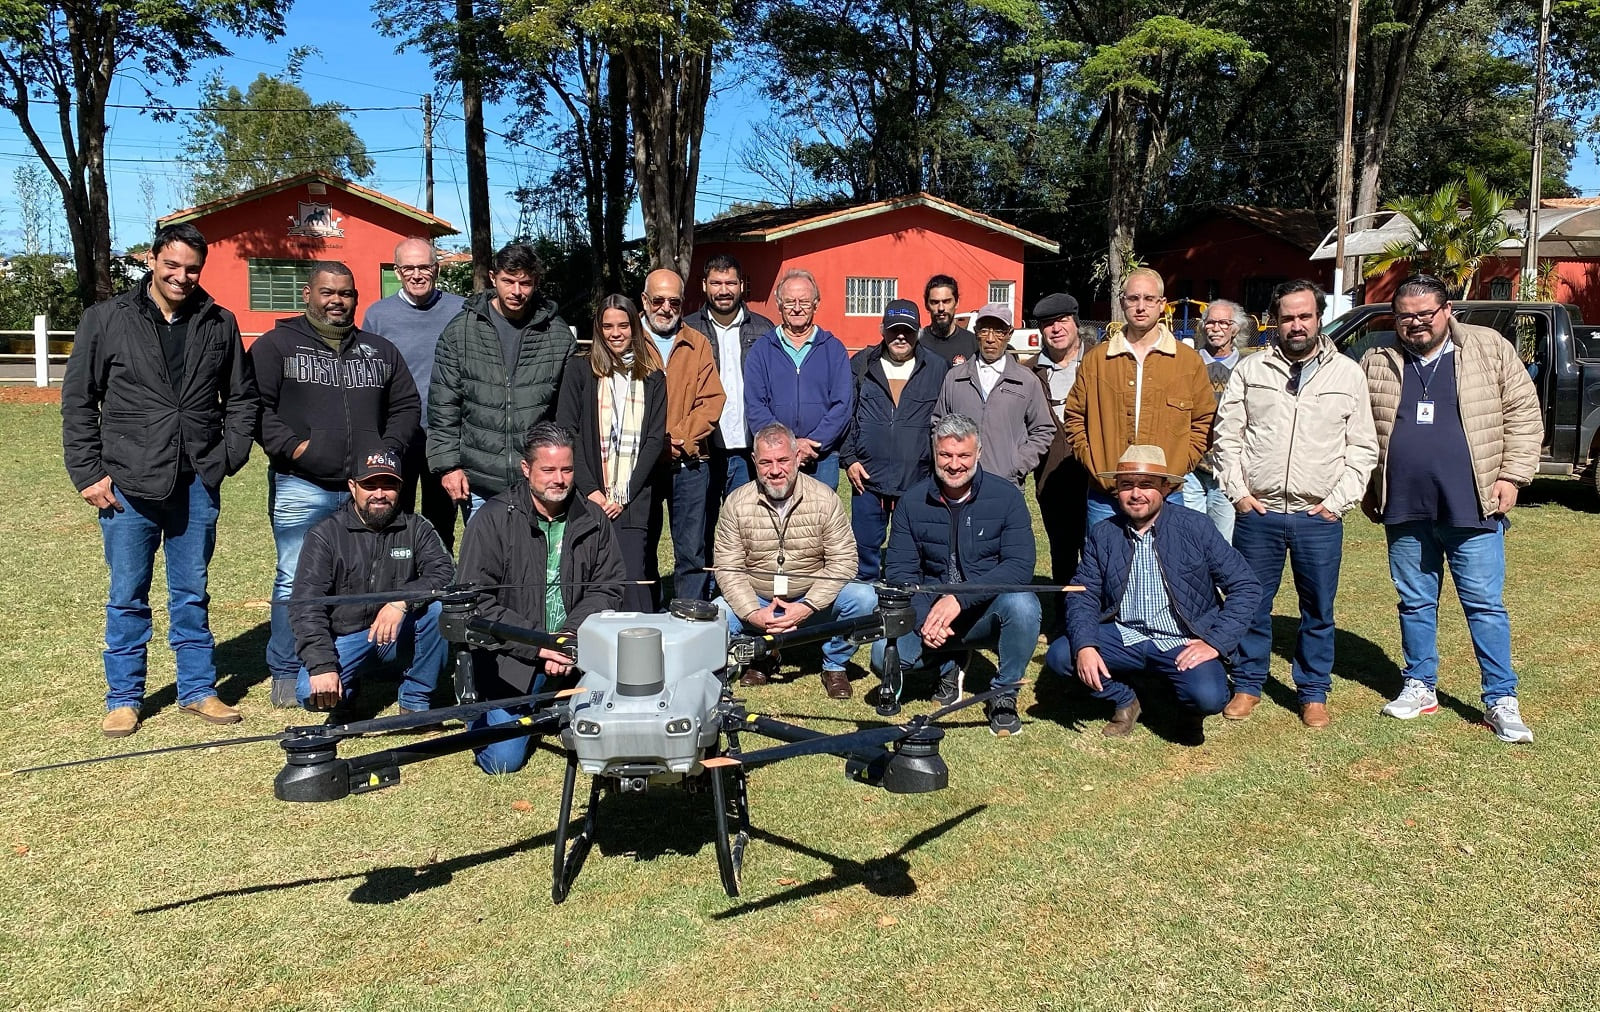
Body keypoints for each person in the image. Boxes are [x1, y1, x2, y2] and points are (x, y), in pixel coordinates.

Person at [62, 222, 258, 736]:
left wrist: (226, 459)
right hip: (127, 481)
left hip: (195, 480)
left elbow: (241, 398)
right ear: (152, 260)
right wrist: (88, 473)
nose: (182, 276)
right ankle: (124, 697)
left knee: (191, 591)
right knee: (128, 592)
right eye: (172, 265)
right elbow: (79, 402)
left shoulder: (218, 321)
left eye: (193, 268)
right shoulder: (106, 320)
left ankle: (198, 690)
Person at [1359, 274, 1542, 743]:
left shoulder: (1488, 348)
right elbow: (1358, 427)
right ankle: (1420, 685)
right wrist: (1366, 485)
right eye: (1405, 316)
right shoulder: (1378, 360)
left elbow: (1523, 411)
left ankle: (1501, 698)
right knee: (1415, 602)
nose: (1416, 323)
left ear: (1447, 311)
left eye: (1425, 313)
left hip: (1472, 504)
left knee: (1483, 605)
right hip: (1404, 506)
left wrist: (1513, 476)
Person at [251, 260, 421, 708]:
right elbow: (256, 407)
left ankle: (352, 664)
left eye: (345, 294)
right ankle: (287, 669)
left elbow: (406, 405)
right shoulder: (276, 346)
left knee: (360, 575)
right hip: (302, 482)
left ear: (356, 299)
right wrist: (295, 447)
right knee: (294, 577)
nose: (336, 301)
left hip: (365, 489)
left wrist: (386, 452)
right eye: (327, 292)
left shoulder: (379, 351)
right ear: (307, 294)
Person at [1211, 281, 1378, 727]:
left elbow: (1363, 447)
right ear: (1274, 321)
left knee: (1318, 610)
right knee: (1250, 603)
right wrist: (1239, 494)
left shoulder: (1347, 373)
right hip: (1259, 512)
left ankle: (1313, 691)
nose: (1297, 325)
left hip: (1316, 516)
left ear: (1318, 318)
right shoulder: (1251, 371)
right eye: (1288, 317)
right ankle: (1247, 684)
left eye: (1305, 316)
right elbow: (1226, 436)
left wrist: (1336, 502)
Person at [1044, 445, 1260, 743]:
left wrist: (1215, 642)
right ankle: (1125, 697)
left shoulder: (1196, 527)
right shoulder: (1104, 533)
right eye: (1126, 485)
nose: (1136, 494)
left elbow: (1246, 586)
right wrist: (1085, 645)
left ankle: (1188, 711)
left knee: (1208, 696)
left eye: (1146, 485)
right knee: (1060, 655)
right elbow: (1083, 594)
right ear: (1116, 491)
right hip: (1124, 635)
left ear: (1165, 489)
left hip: (1182, 638)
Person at [456, 423, 627, 774]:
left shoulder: (593, 518)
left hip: (579, 648)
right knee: (503, 761)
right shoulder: (490, 520)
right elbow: (474, 602)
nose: (559, 479)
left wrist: (569, 636)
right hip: (513, 657)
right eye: (548, 470)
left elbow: (608, 587)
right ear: (526, 469)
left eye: (566, 469)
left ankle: (558, 707)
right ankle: (477, 712)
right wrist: (538, 644)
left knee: (613, 740)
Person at [873, 414, 1042, 736]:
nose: (954, 465)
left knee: (1024, 605)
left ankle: (1003, 694)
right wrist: (924, 620)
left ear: (978, 454)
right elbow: (899, 572)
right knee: (883, 658)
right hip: (931, 609)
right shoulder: (912, 501)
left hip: (985, 608)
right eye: (945, 455)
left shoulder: (1006, 497)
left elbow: (1020, 566)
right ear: (934, 453)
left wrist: (959, 599)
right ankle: (947, 664)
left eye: (963, 455)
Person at [713, 423, 877, 700]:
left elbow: (845, 560)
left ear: (798, 458)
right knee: (715, 617)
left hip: (811, 599)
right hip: (759, 598)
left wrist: (806, 607)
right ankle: (762, 653)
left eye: (782, 461)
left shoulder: (824, 498)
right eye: (765, 462)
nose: (775, 470)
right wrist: (754, 614)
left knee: (864, 598)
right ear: (754, 462)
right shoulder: (736, 503)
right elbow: (728, 568)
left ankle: (834, 664)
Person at [288, 447, 454, 714]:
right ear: (353, 487)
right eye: (370, 485)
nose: (379, 494)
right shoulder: (324, 535)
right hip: (346, 637)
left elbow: (445, 573)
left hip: (398, 631)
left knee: (437, 611)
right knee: (310, 693)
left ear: (400, 488)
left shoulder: (417, 528)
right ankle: (349, 688)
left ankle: (415, 700)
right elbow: (306, 606)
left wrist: (400, 601)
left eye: (388, 485)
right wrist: (322, 667)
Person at [427, 242, 575, 520]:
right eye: (508, 281)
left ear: (536, 282)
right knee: (485, 563)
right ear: (493, 278)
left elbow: (567, 413)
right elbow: (443, 406)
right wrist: (448, 467)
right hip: (478, 482)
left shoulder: (556, 334)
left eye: (525, 283)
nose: (517, 292)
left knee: (536, 562)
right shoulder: (461, 331)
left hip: (537, 481)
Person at [1064, 267, 1215, 527]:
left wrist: (1178, 468)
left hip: (1166, 494)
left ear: (1162, 305)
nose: (1140, 306)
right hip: (1106, 496)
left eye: (1149, 299)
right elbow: (1075, 416)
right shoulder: (1097, 361)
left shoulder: (1188, 362)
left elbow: (1204, 422)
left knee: (1164, 566)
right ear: (1123, 303)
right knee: (1107, 566)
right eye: (1133, 299)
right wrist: (1095, 464)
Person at [555, 295, 668, 612]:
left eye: (623, 325)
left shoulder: (653, 378)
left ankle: (641, 653)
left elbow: (654, 440)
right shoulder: (580, 370)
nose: (615, 333)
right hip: (587, 497)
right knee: (589, 577)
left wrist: (624, 495)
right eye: (607, 326)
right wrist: (592, 491)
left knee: (632, 579)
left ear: (634, 327)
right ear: (599, 329)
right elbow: (568, 432)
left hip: (632, 501)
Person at [360, 237, 467, 550]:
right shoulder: (378, 315)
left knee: (441, 524)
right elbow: (368, 377)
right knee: (395, 519)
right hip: (397, 436)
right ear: (397, 271)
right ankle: (400, 588)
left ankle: (438, 588)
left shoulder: (460, 309)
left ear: (436, 268)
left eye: (424, 267)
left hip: (445, 437)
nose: (417, 274)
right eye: (409, 268)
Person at [840, 298, 948, 580]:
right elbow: (846, 415)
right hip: (867, 481)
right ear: (882, 329)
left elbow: (945, 422)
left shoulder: (937, 368)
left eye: (908, 331)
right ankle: (866, 612)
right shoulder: (862, 364)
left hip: (917, 481)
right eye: (893, 330)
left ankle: (910, 610)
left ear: (918, 331)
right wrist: (850, 459)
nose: (901, 337)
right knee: (864, 557)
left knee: (913, 555)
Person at [640, 268, 726, 602]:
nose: (665, 308)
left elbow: (712, 399)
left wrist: (680, 440)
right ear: (645, 301)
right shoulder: (627, 338)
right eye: (658, 300)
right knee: (642, 544)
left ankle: (689, 616)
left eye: (673, 301)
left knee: (691, 548)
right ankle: (645, 615)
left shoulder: (697, 343)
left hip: (689, 461)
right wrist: (654, 445)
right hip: (640, 465)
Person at [744, 268, 853, 492]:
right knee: (775, 522)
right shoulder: (762, 350)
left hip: (821, 456)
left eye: (804, 301)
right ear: (779, 304)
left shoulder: (834, 349)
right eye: (789, 301)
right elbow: (755, 406)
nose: (796, 308)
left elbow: (842, 405)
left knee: (818, 522)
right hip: (775, 459)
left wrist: (811, 444)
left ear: (816, 304)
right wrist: (787, 446)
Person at [1029, 292, 1095, 635]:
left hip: (1097, 478)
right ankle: (1064, 616)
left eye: (1062, 321)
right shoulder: (1030, 373)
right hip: (1052, 479)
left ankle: (1101, 616)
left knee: (1100, 550)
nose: (1056, 329)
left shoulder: (1100, 362)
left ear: (1076, 323)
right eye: (1047, 324)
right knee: (1063, 552)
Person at [932, 302, 1054, 487]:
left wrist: (1017, 465)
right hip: (959, 483)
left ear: (1010, 334)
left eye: (999, 331)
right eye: (984, 330)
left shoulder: (1026, 381)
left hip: (1006, 483)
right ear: (975, 332)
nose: (990, 338)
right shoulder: (955, 378)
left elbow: (1043, 429)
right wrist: (950, 463)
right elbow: (937, 424)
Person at [682, 253, 775, 497]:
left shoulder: (765, 330)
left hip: (749, 448)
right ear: (704, 285)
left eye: (730, 283)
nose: (724, 290)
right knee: (702, 528)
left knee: (747, 527)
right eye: (716, 283)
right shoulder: (687, 330)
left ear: (741, 286)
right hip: (704, 449)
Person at [1182, 298, 1247, 540]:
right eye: (1210, 322)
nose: (1216, 328)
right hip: (1190, 468)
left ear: (1235, 329)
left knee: (1221, 541)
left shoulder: (1247, 366)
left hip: (1229, 468)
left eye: (1223, 322)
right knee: (1190, 538)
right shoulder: (1187, 363)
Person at [920, 274, 978, 365]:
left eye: (946, 301)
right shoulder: (918, 342)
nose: (941, 308)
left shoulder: (972, 343)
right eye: (935, 302)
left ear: (956, 302)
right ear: (926, 305)